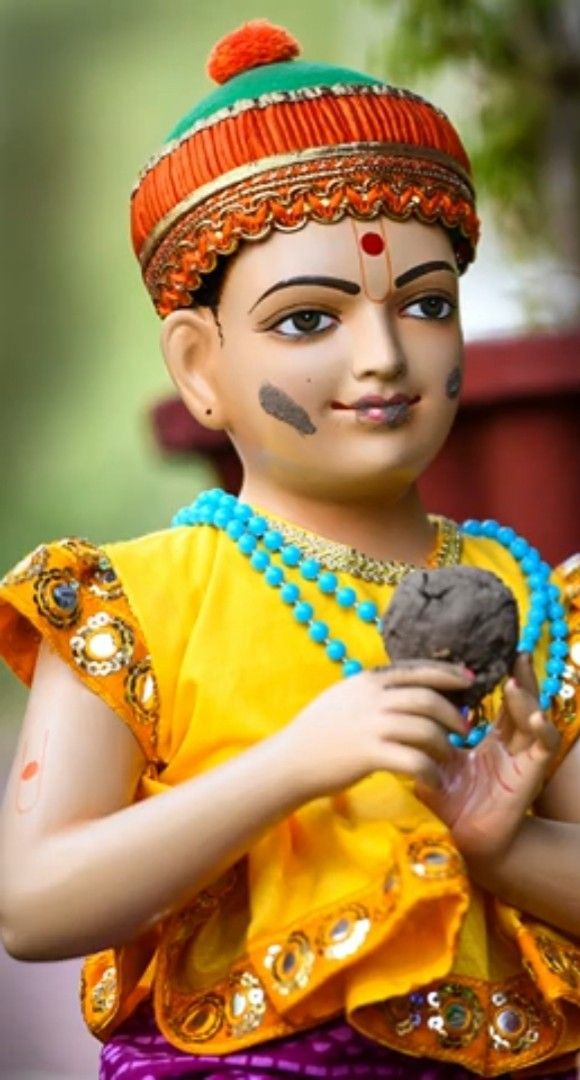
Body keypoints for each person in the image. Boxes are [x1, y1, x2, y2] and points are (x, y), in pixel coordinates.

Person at [0, 18, 579, 1080]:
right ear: (198, 366)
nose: (385, 354)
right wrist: (292, 766)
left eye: (427, 304)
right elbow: (33, 907)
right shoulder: (136, 602)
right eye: (310, 320)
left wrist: (505, 844)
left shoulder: (535, 600)